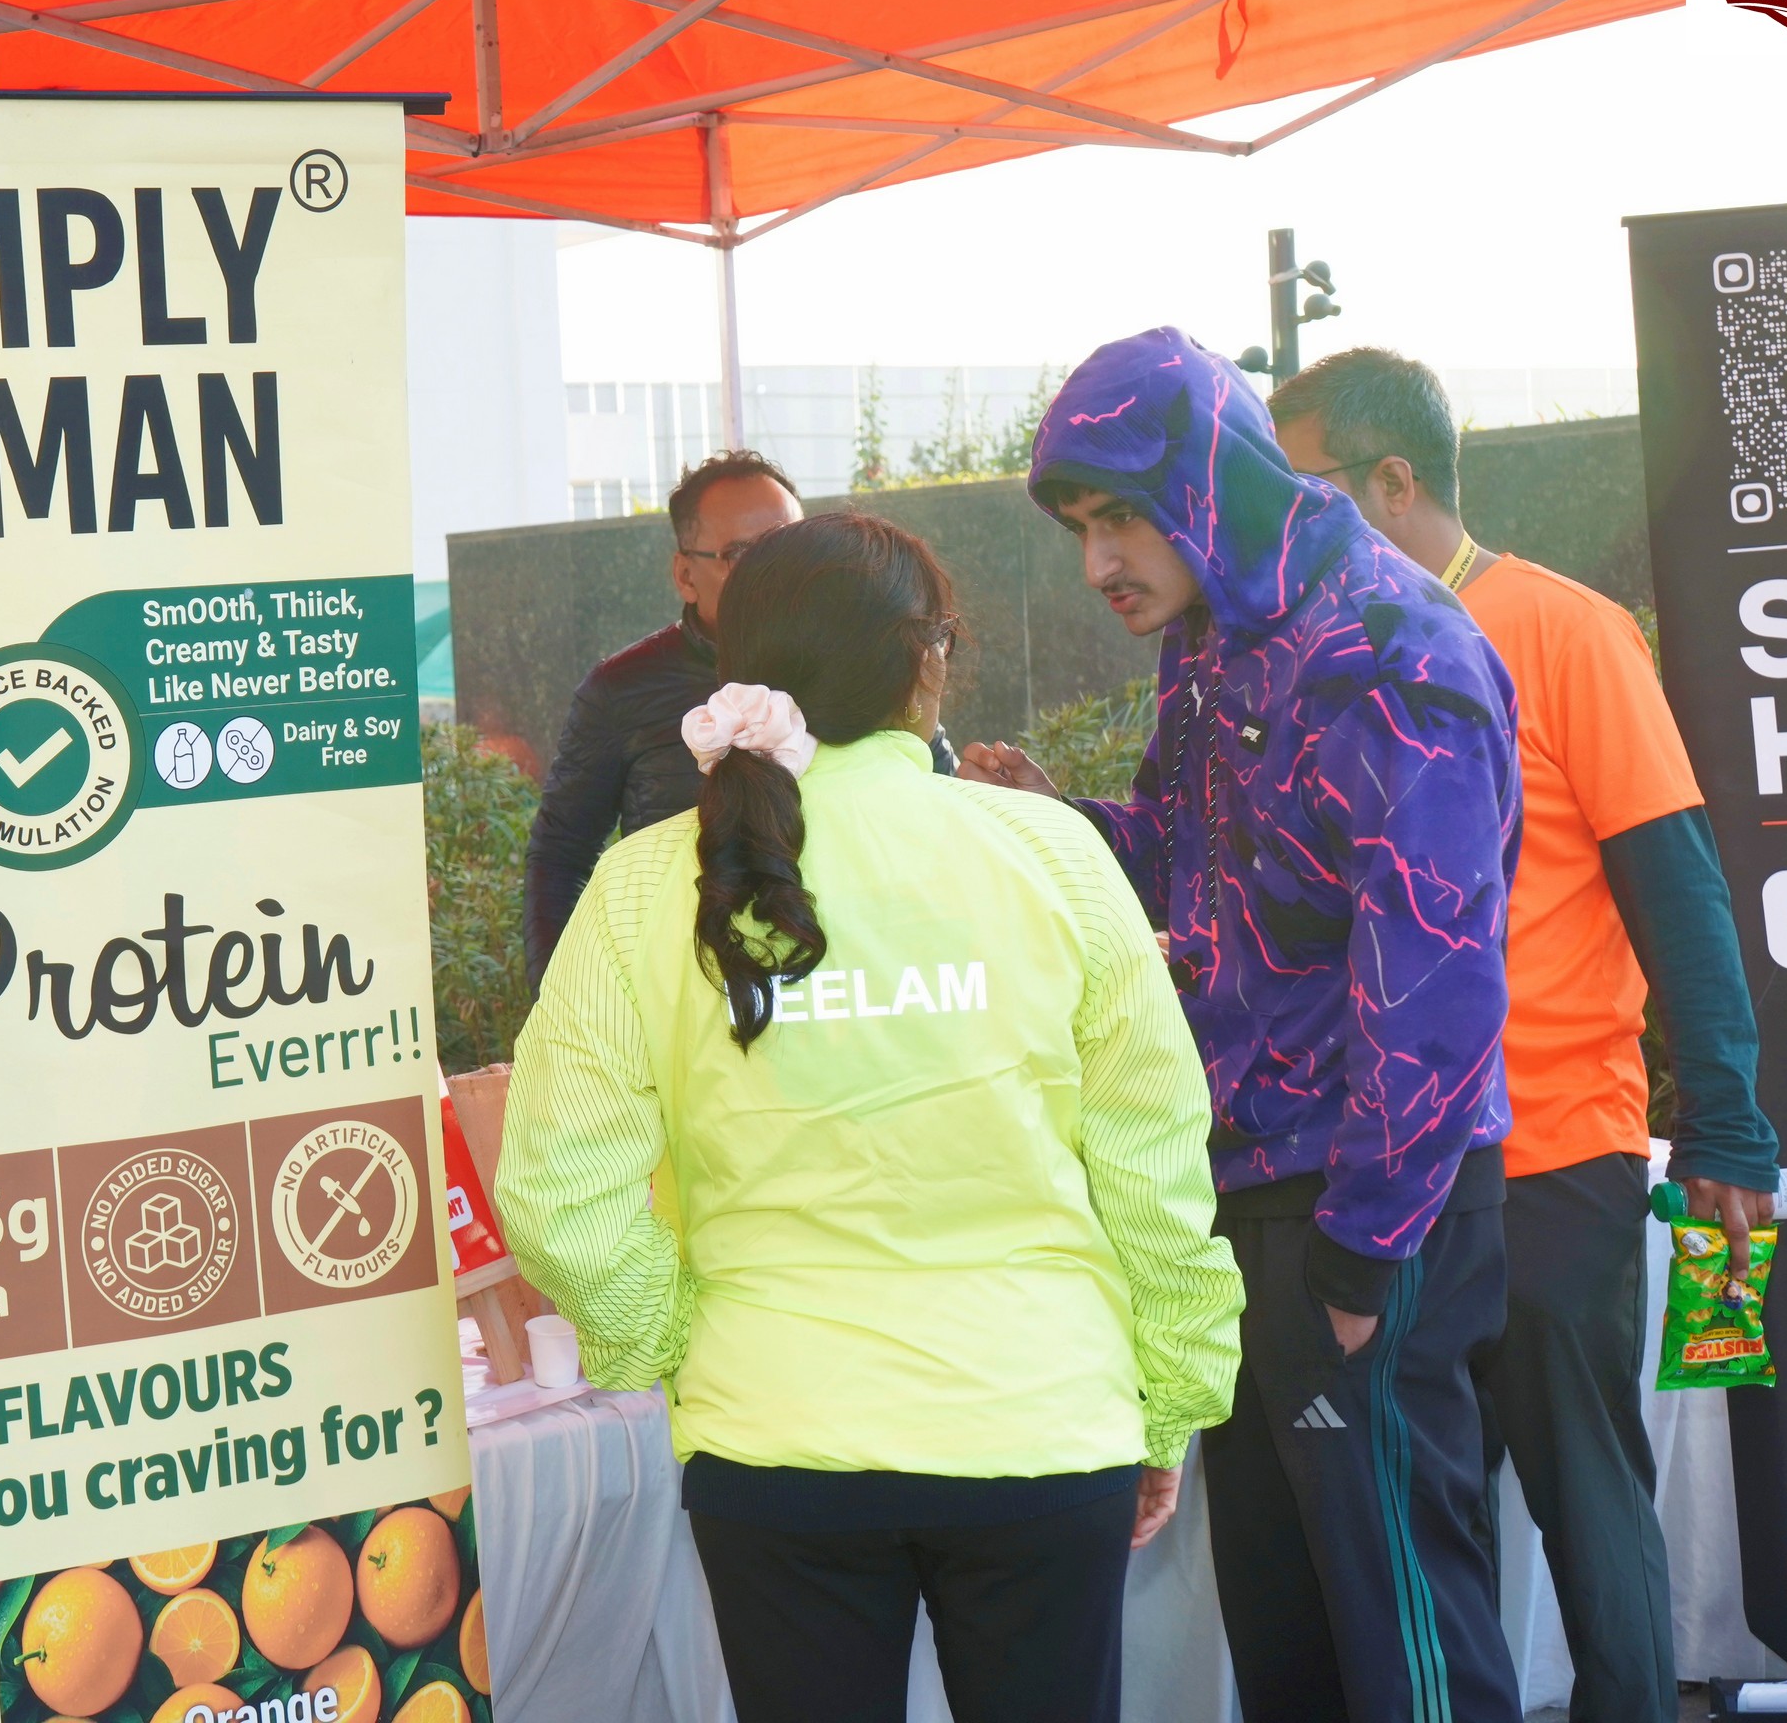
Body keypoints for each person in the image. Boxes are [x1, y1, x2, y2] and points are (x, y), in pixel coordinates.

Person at [498, 512, 1245, 1723]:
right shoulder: (1051, 853)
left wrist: (676, 1341)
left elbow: (557, 1192)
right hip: (1041, 1418)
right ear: (925, 659)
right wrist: (1171, 1393)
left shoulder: (644, 883)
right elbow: (1152, 1155)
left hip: (773, 1434)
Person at [961, 329, 1522, 1723]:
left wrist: (1362, 1248)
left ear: (1210, 483)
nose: (1098, 563)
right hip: (1251, 1190)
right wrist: (1049, 821)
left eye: (1121, 517)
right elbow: (1191, 862)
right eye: (1078, 528)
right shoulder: (1215, 635)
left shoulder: (1392, 646)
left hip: (1366, 1205)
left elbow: (1438, 972)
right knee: (1290, 1628)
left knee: (1405, 1632)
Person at [1270, 348, 1781, 1723]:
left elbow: (1676, 885)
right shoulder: (1306, 658)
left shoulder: (1565, 630)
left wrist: (1727, 1122)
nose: (1273, 523)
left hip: (1554, 1156)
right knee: (1422, 1529)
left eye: (1300, 488)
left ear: (1392, 481)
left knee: (1587, 1502)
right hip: (1387, 1181)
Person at [521, 450, 804, 984]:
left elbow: (930, 792)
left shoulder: (852, 660)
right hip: (677, 988)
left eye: (792, 545)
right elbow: (560, 859)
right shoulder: (621, 690)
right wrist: (559, 998)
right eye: (744, 553)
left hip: (834, 988)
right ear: (685, 575)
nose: (778, 571)